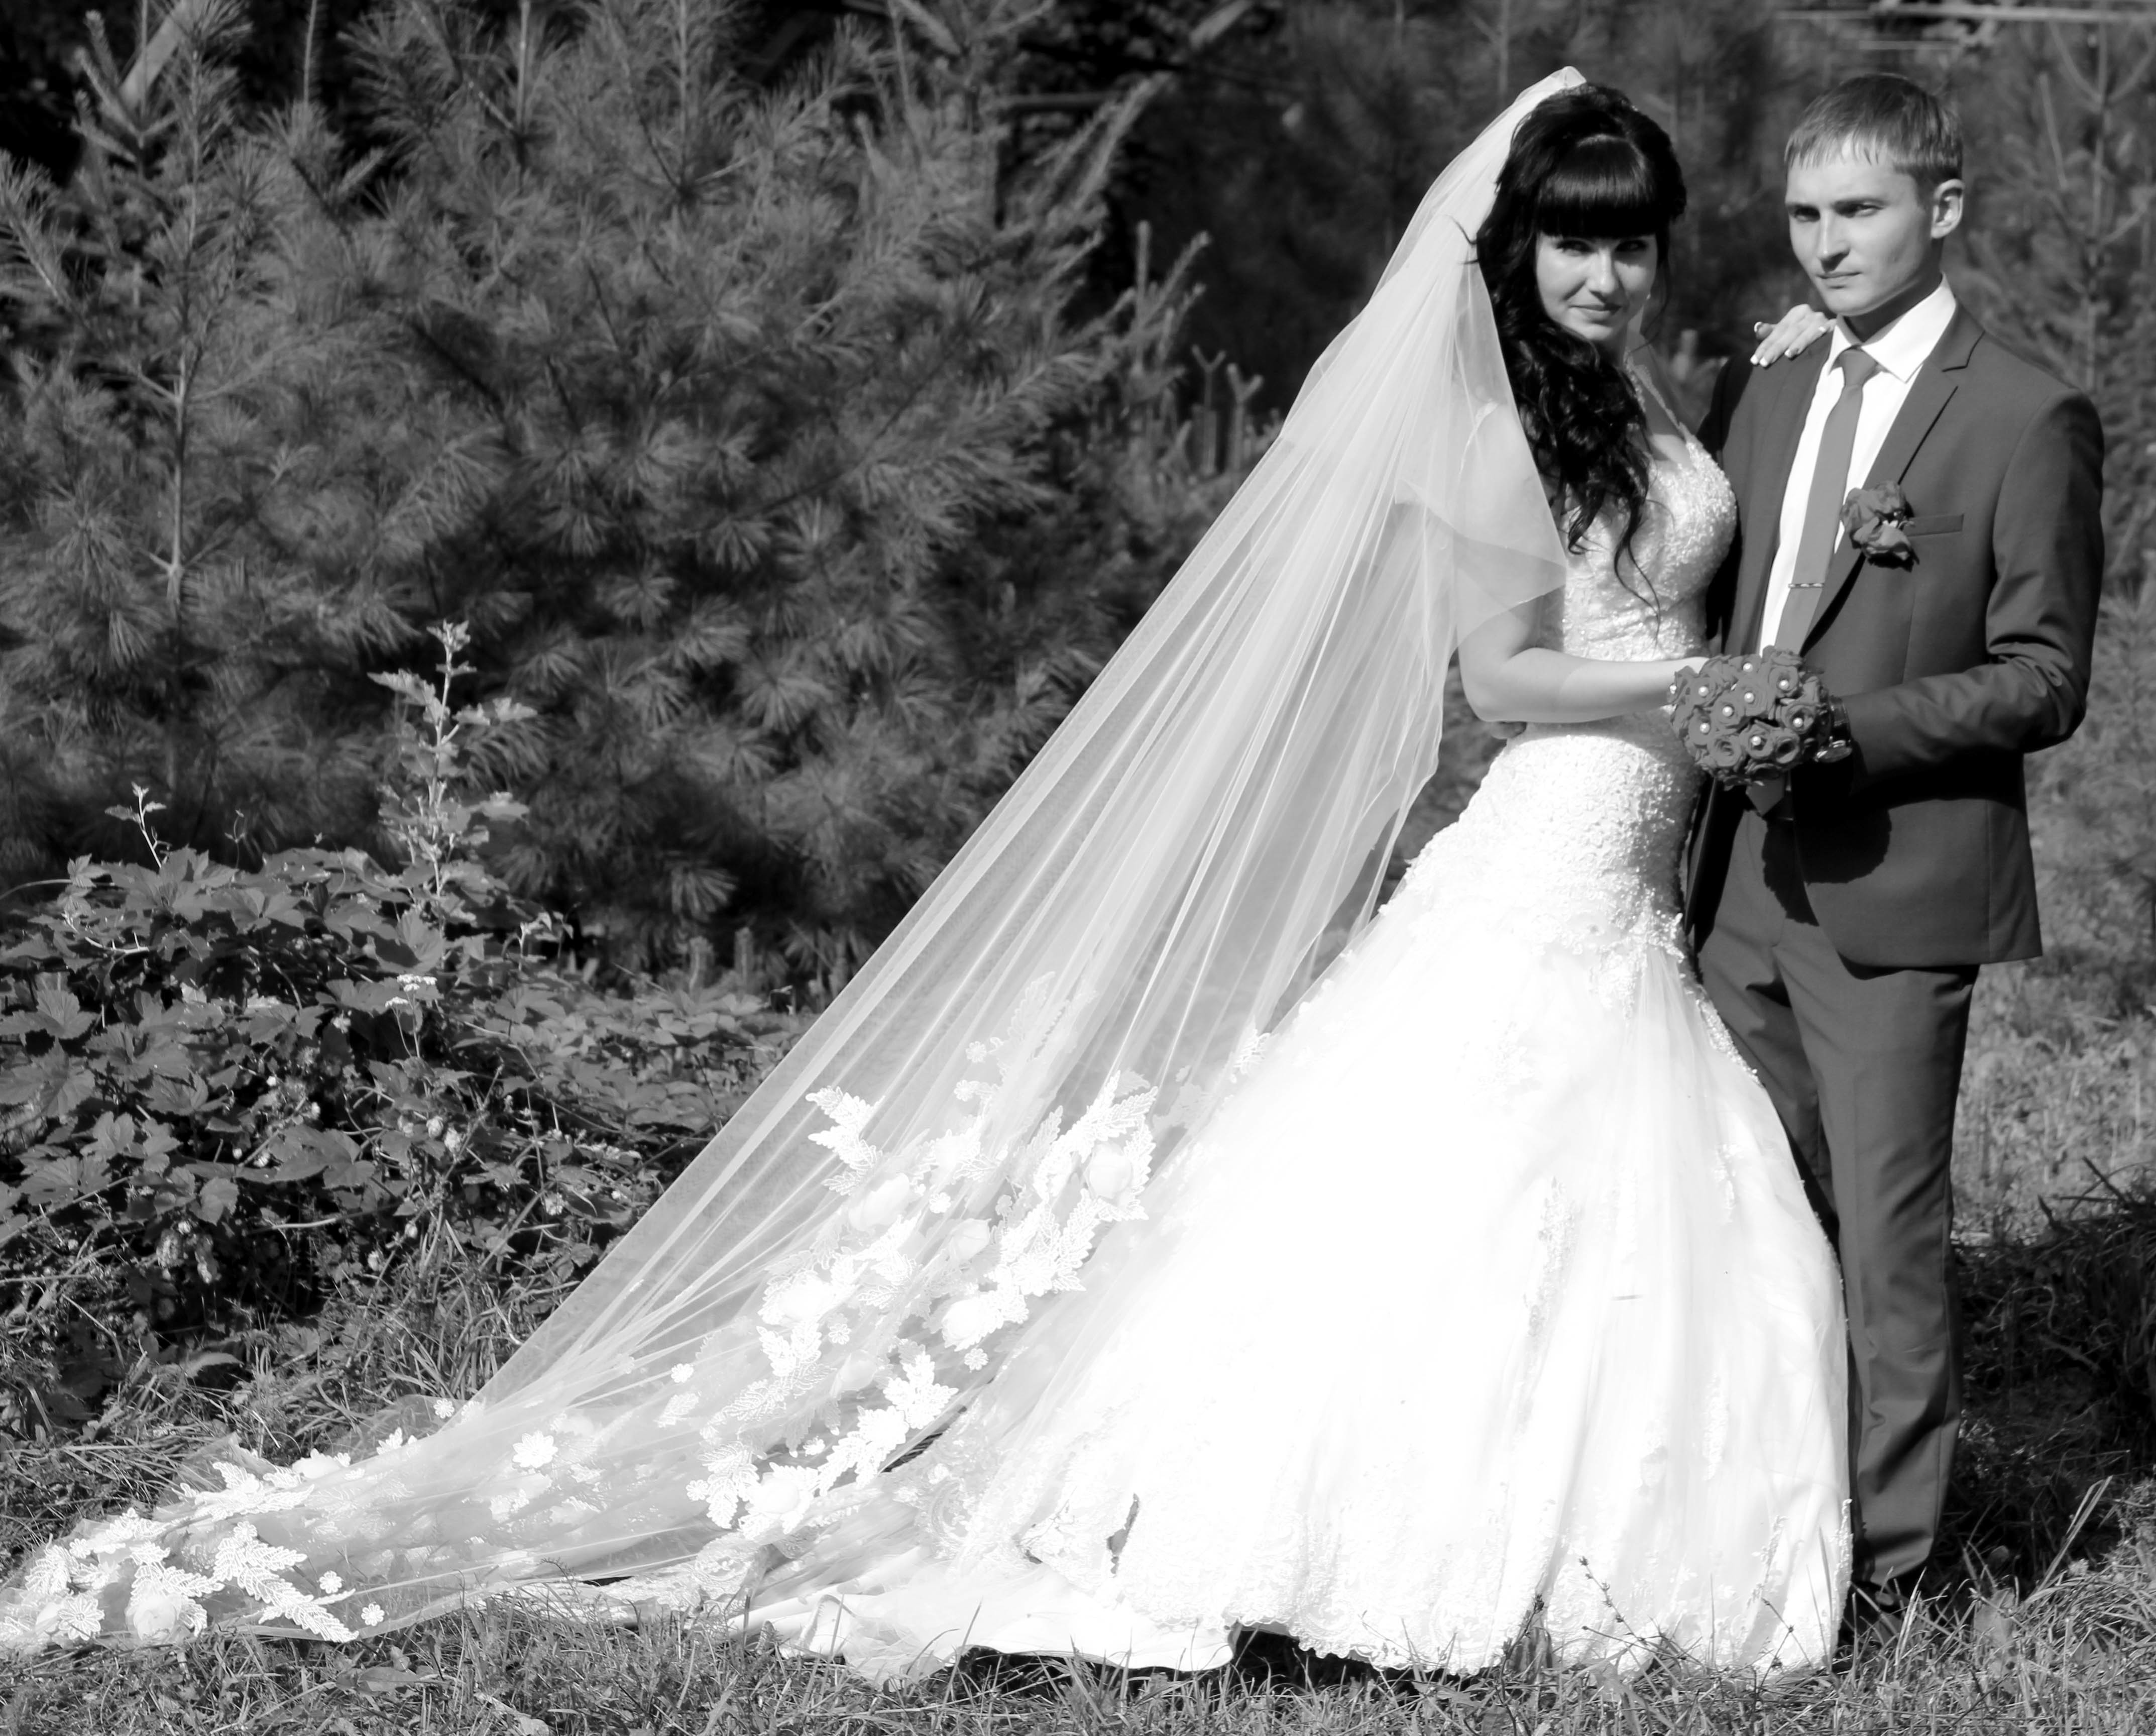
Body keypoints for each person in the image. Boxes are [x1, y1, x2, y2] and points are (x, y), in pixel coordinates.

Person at [1, 74, 1848, 1678]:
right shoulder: (1496, 428)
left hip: (1633, 871)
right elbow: (1506, 681)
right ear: (1514, 249)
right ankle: (1304, 1537)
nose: (1605, 276)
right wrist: (1699, 690)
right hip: (1552, 835)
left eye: (1632, 245)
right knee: (1465, 1176)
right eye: (1573, 242)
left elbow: (1707, 526)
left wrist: (1785, 378)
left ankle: (1565, 1546)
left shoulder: (1639, 401)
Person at [1685, 73, 2105, 1636]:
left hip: (1893, 886)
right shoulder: (1773, 385)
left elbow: (2045, 679)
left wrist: (1843, 732)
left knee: (1885, 1238)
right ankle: (1755, 1531)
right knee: (1744, 1219)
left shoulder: (2024, 415)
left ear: (1944, 208)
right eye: (1804, 214)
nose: (1826, 243)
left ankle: (1892, 1580)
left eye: (1858, 211)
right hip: (1731, 885)